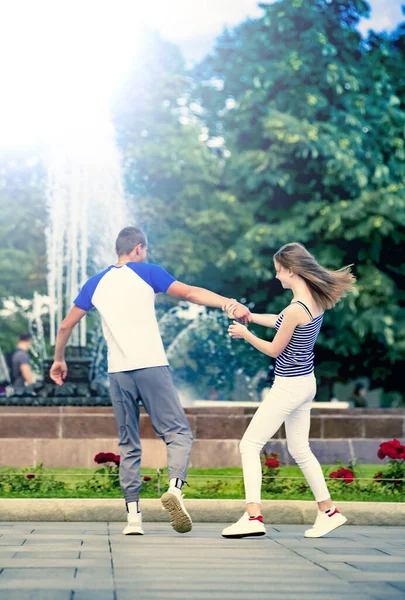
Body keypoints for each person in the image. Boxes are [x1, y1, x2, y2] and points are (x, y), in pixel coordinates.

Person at [49, 226, 250, 536]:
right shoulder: (147, 272)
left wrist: (58, 360)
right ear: (139, 248)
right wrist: (228, 303)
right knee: (178, 433)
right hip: (151, 366)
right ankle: (175, 490)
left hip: (118, 373)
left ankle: (133, 520)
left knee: (128, 444)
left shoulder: (95, 283)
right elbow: (191, 293)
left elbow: (64, 326)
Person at [222, 242, 355, 539]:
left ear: (291, 271)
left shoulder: (296, 308)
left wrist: (245, 334)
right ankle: (328, 512)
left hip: (289, 385)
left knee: (249, 445)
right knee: (299, 449)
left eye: (278, 271)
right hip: (306, 383)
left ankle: (253, 517)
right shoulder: (313, 300)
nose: (276, 277)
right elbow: (281, 322)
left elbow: (273, 348)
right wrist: (251, 317)